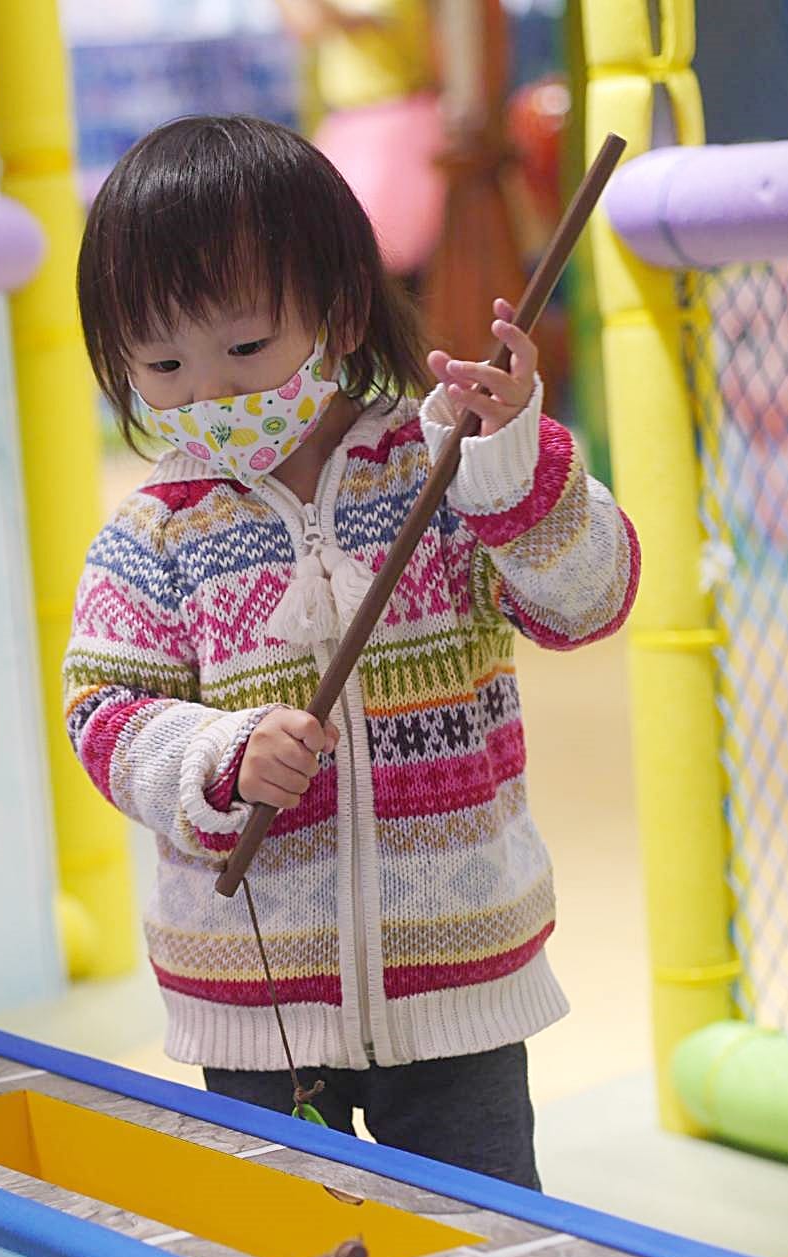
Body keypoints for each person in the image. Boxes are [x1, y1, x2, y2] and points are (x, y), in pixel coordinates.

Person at [64, 115, 639, 1189]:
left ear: (334, 311)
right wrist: (214, 754)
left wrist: (510, 465)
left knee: (484, 1252)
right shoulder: (152, 537)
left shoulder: (444, 466)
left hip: (454, 975)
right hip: (255, 1000)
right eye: (161, 362)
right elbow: (105, 716)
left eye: (243, 348)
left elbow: (587, 600)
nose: (210, 393)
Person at [274, 0, 445, 284]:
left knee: (385, 256)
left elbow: (335, 20)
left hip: (395, 125)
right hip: (350, 126)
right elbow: (306, 24)